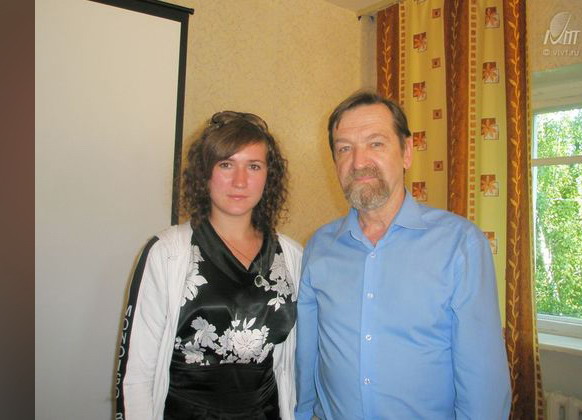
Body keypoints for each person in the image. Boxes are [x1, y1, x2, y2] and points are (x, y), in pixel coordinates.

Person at [295, 91, 511, 419]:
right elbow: (307, 356)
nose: (358, 162)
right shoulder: (319, 247)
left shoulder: (460, 245)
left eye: (375, 143)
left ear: (407, 152)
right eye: (345, 148)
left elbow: (483, 382)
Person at [115, 111, 302, 420]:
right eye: (226, 164)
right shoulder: (167, 253)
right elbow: (136, 374)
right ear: (204, 174)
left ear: (269, 176)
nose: (240, 181)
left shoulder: (291, 256)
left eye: (253, 166)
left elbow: (291, 366)